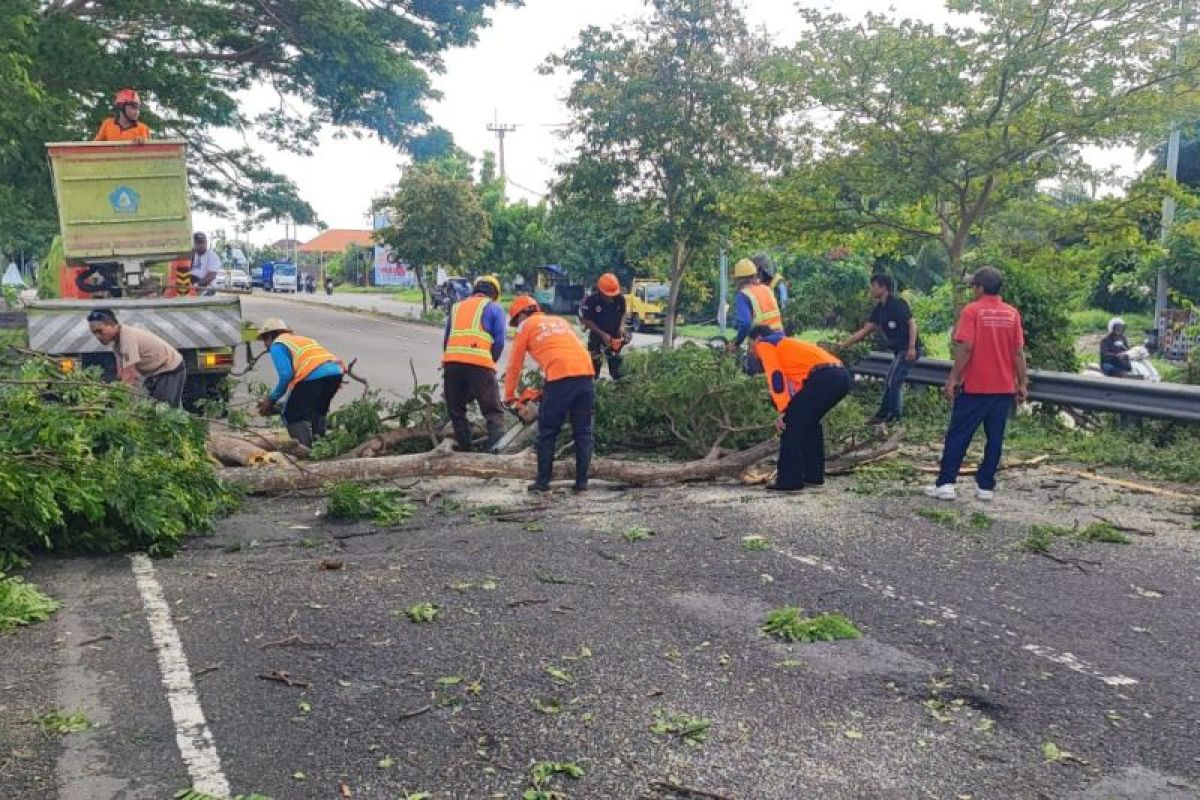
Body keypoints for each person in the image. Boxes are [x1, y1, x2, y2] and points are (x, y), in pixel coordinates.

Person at [924, 267, 1028, 502]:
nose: (972, 290)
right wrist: (1022, 383)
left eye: (973, 286)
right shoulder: (1012, 314)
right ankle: (985, 486)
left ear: (980, 287)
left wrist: (953, 378)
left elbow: (966, 347)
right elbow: (1018, 352)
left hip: (975, 387)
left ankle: (947, 483)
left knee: (959, 435)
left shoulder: (972, 311)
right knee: (995, 438)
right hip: (1003, 388)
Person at [504, 296, 596, 493]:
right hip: (586, 374)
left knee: (547, 431)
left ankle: (543, 482)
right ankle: (582, 483)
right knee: (583, 431)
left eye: (516, 321)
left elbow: (514, 364)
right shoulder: (560, 321)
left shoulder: (526, 326)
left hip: (561, 376)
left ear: (522, 314)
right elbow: (565, 353)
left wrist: (509, 396)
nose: (517, 325)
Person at [749, 326, 851, 492]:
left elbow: (776, 378)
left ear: (758, 338)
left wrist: (784, 411)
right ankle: (813, 475)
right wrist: (790, 408)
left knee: (792, 425)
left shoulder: (766, 344)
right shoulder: (786, 344)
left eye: (750, 344)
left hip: (824, 377)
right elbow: (797, 388)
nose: (752, 351)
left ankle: (789, 481)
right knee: (809, 423)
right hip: (840, 376)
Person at [837, 273, 923, 423]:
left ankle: (893, 415)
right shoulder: (880, 309)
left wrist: (911, 348)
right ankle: (882, 414)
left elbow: (912, 324)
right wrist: (844, 345)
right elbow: (865, 330)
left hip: (908, 348)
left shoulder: (898, 303)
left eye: (874, 286)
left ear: (883, 287)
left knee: (894, 381)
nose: (871, 290)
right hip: (899, 350)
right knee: (890, 380)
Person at [442, 276, 508, 451]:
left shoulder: (456, 307)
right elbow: (500, 342)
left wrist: (452, 361)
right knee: (493, 411)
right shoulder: (494, 308)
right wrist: (490, 362)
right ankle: (496, 453)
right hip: (479, 363)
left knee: (456, 410)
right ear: (494, 294)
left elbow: (447, 340)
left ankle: (465, 451)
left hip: (452, 363)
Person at [256, 318, 345, 447]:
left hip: (313, 375)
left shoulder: (277, 345)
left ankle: (306, 449)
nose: (265, 345)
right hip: (335, 372)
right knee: (318, 410)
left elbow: (286, 376)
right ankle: (321, 445)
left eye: (265, 340)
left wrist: (271, 399)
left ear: (270, 336)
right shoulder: (302, 339)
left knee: (291, 415)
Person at [86, 309, 186, 407]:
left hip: (169, 369)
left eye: (99, 331)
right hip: (155, 373)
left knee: (165, 411)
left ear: (111, 325)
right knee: (155, 409)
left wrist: (118, 400)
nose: (97, 336)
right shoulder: (117, 342)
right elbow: (121, 373)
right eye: (94, 333)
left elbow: (130, 376)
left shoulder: (127, 339)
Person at [727, 258, 784, 373]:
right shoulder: (767, 289)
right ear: (754, 275)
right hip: (781, 339)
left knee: (756, 381)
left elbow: (745, 323)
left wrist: (736, 343)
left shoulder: (743, 295)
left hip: (761, 343)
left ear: (738, 280)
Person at [578, 272, 628, 379]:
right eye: (608, 295)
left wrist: (621, 327)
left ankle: (619, 387)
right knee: (593, 368)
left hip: (615, 337)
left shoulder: (620, 299)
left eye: (613, 294)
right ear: (600, 291)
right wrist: (602, 334)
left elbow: (624, 313)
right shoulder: (591, 301)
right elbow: (586, 320)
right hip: (597, 337)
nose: (611, 297)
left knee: (617, 369)